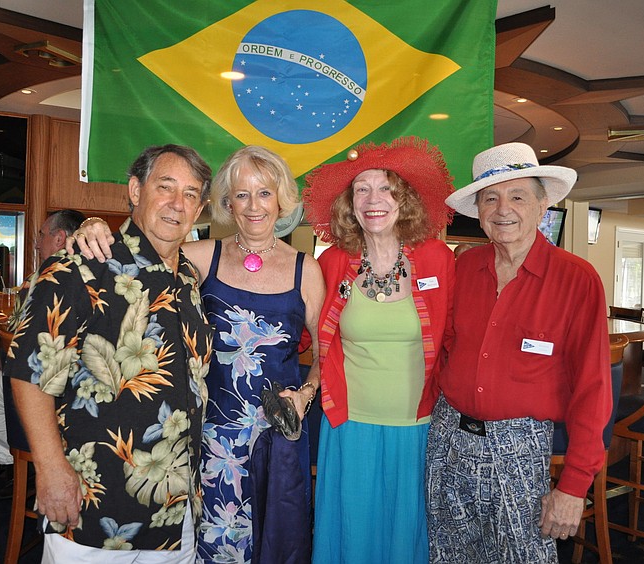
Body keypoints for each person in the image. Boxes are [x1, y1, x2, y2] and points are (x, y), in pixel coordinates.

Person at [71, 145, 326, 563]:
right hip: (209, 438)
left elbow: (325, 353)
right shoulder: (200, 257)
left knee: (276, 544)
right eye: (241, 195)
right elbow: (141, 255)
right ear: (226, 204)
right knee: (210, 547)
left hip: (277, 438)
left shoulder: (307, 270)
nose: (253, 206)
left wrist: (306, 393)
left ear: (281, 200)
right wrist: (97, 224)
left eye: (264, 193)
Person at [5, 145, 214, 562]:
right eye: (165, 187)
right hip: (94, 507)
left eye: (191, 194)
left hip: (175, 512)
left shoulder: (189, 276)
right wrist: (48, 469)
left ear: (201, 208)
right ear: (135, 190)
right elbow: (28, 370)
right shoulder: (83, 264)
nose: (177, 204)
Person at [427, 142, 611, 562]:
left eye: (517, 196)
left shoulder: (576, 279)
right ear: (478, 208)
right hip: (448, 439)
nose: (502, 208)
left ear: (542, 204)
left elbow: (593, 388)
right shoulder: (463, 267)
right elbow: (445, 349)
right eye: (490, 197)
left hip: (521, 451)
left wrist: (572, 486)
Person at [300, 137, 455, 564]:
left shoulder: (438, 259)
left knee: (407, 537)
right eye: (361, 189)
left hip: (418, 425)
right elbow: (300, 328)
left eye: (385, 188)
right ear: (349, 204)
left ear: (404, 199)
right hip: (349, 424)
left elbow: (458, 336)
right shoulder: (331, 262)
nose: (373, 200)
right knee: (350, 534)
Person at [0, 209, 85, 480]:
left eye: (41, 235)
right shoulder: (99, 276)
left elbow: (15, 337)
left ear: (60, 239)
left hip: (47, 396)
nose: (37, 243)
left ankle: (18, 457)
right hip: (83, 400)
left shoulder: (40, 278)